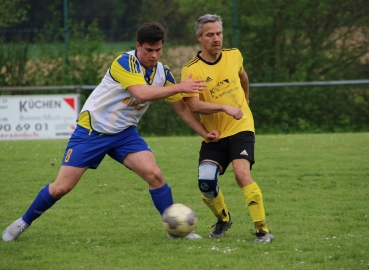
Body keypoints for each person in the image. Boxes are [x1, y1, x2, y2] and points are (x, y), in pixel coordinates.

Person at [2, 22, 219, 242]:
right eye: (149, 50)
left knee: (154, 175)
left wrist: (203, 131)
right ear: (138, 46)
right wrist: (181, 87)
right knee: (61, 188)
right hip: (92, 131)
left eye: (158, 50)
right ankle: (21, 223)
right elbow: (141, 94)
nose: (154, 55)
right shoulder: (124, 62)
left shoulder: (163, 73)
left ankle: (175, 230)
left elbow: (181, 109)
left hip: (124, 134)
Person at [180, 14, 274, 243]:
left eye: (219, 34)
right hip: (215, 135)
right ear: (199, 37)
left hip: (241, 127)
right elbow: (192, 104)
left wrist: (245, 101)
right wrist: (224, 107)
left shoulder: (234, 55)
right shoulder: (191, 70)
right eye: (210, 35)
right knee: (206, 181)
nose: (216, 39)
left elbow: (243, 77)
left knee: (242, 175)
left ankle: (262, 230)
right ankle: (223, 220)